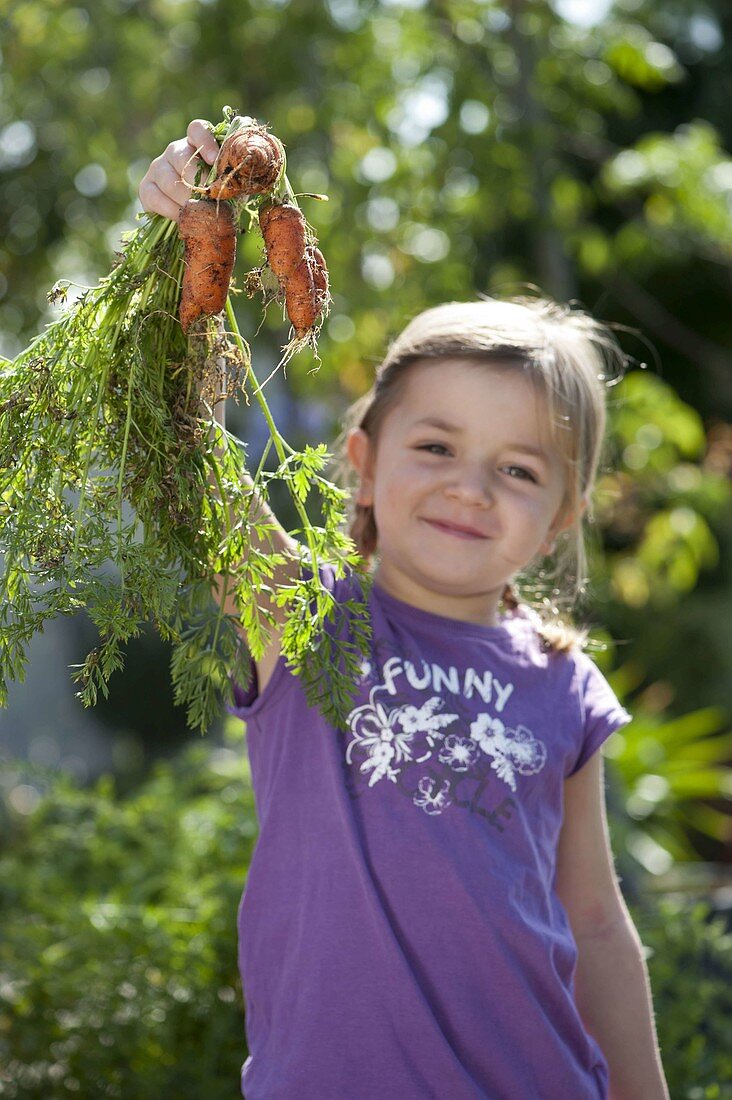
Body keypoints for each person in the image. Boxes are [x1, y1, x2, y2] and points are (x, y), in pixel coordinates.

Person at [139, 120, 671, 1100]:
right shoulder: (303, 615)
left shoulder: (563, 682)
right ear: (366, 463)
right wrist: (186, 235)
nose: (471, 486)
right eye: (435, 446)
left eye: (517, 469)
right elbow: (177, 452)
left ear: (561, 518)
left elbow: (596, 920)